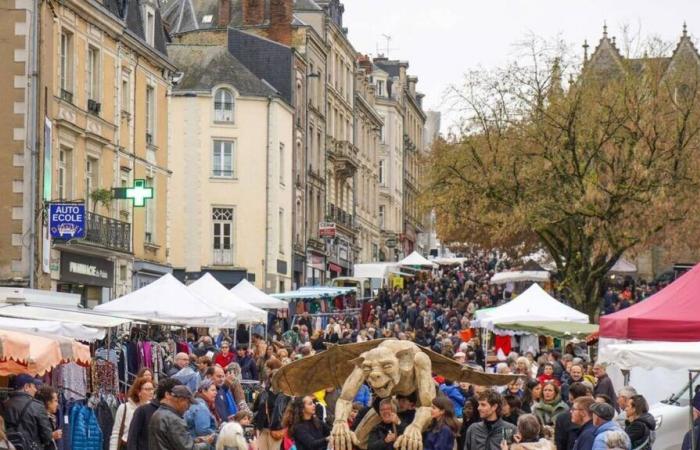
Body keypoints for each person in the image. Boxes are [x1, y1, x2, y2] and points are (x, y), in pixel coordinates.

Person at [149, 385, 210, 450]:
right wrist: (207, 444)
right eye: (188, 403)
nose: (188, 408)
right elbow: (189, 449)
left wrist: (195, 440)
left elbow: (173, 442)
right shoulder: (174, 420)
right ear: (181, 400)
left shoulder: (157, 413)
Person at [127, 378, 183, 450]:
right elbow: (132, 439)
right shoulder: (143, 411)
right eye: (178, 396)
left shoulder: (175, 413)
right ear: (168, 395)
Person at [2, 374, 52, 450]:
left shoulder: (4, 405)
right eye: (34, 386)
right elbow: (47, 437)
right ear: (26, 387)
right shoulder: (37, 406)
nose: (35, 390)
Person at [110, 376, 155, 450]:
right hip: (125, 445)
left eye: (152, 389)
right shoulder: (124, 408)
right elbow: (116, 433)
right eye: (147, 389)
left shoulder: (152, 409)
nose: (151, 392)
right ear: (138, 392)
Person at [555, 383, 592, 450]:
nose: (571, 412)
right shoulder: (591, 419)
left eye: (574, 410)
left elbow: (560, 443)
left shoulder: (562, 417)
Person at [34, 386, 61, 450]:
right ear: (48, 402)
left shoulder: (50, 418)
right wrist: (52, 436)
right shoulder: (41, 418)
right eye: (55, 401)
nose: (57, 404)